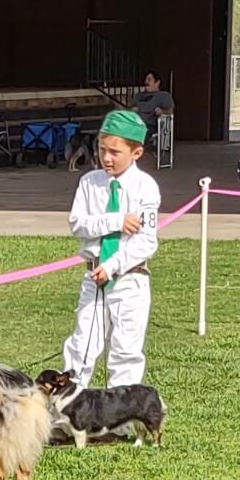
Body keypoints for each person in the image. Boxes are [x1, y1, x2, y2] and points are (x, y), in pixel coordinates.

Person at [62, 110, 161, 394]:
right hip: (93, 276)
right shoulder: (89, 182)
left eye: (115, 152)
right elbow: (78, 224)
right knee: (82, 342)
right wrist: (116, 221)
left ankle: (120, 416)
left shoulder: (146, 188)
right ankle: (69, 408)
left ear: (136, 152)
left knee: (126, 349)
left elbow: (146, 241)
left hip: (131, 279)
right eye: (102, 150)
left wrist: (114, 264)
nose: (106, 158)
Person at [131, 70, 174, 138]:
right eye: (145, 80)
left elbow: (170, 112)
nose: (146, 82)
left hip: (149, 125)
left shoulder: (163, 95)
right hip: (133, 124)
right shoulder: (138, 95)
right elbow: (127, 111)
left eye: (149, 80)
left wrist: (162, 111)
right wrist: (131, 110)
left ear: (157, 82)